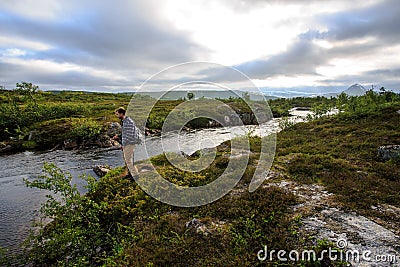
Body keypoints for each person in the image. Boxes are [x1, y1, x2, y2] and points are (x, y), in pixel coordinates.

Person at [113, 107, 139, 178]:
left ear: (121, 114)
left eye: (117, 114)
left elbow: (129, 136)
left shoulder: (128, 122)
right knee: (126, 159)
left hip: (129, 143)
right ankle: (129, 174)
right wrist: (118, 136)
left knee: (128, 160)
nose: (117, 116)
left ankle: (135, 176)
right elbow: (125, 134)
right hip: (128, 143)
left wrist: (123, 145)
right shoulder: (125, 121)